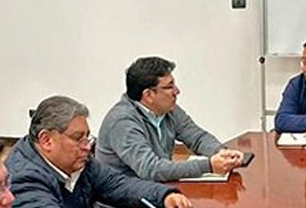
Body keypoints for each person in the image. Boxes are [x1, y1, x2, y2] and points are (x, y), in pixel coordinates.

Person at [9, 95, 195, 208]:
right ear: (46, 140)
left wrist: (164, 195)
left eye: (87, 137)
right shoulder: (23, 178)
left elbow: (119, 185)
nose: (87, 147)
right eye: (77, 138)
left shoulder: (79, 162)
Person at [96, 56, 245, 181]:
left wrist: (221, 153)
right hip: (124, 206)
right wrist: (209, 166)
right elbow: (150, 169)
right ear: (148, 95)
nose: (177, 91)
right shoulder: (122, 122)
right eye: (169, 87)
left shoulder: (168, 109)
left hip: (157, 190)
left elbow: (197, 137)